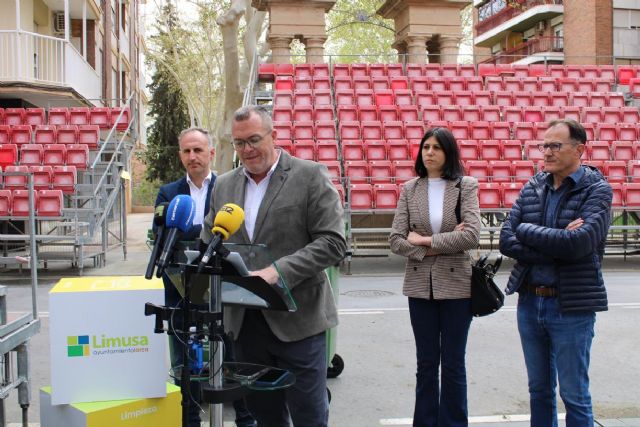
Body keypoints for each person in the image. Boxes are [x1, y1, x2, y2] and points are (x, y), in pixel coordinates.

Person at [201, 105, 346, 426]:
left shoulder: (309, 176)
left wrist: (277, 272)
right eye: (239, 143)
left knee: (309, 416)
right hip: (245, 325)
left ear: (274, 136)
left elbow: (333, 243)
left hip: (299, 321)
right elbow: (210, 239)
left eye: (254, 139)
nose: (247, 150)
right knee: (264, 417)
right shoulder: (224, 185)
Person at [499, 119, 613, 427]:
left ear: (579, 150)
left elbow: (579, 244)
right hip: (530, 302)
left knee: (575, 395)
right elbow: (507, 239)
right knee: (539, 391)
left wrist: (528, 231)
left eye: (555, 145)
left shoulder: (598, 191)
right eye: (544, 145)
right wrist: (555, 238)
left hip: (571, 307)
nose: (547, 152)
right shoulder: (533, 185)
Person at [154, 127, 255, 427]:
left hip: (223, 288)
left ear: (211, 153)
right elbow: (162, 235)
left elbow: (237, 234)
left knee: (232, 355)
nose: (192, 156)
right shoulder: (169, 193)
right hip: (181, 287)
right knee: (184, 361)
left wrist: (194, 235)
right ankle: (189, 420)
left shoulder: (229, 188)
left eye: (198, 150)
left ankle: (246, 419)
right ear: (180, 155)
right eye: (186, 151)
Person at [389, 127, 481, 427]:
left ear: (448, 152)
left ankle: (454, 423)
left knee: (453, 364)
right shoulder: (409, 189)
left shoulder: (465, 185)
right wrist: (437, 247)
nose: (429, 152)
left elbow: (471, 236)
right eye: (426, 147)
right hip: (419, 287)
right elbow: (396, 240)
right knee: (426, 364)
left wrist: (425, 241)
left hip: (457, 287)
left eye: (437, 148)